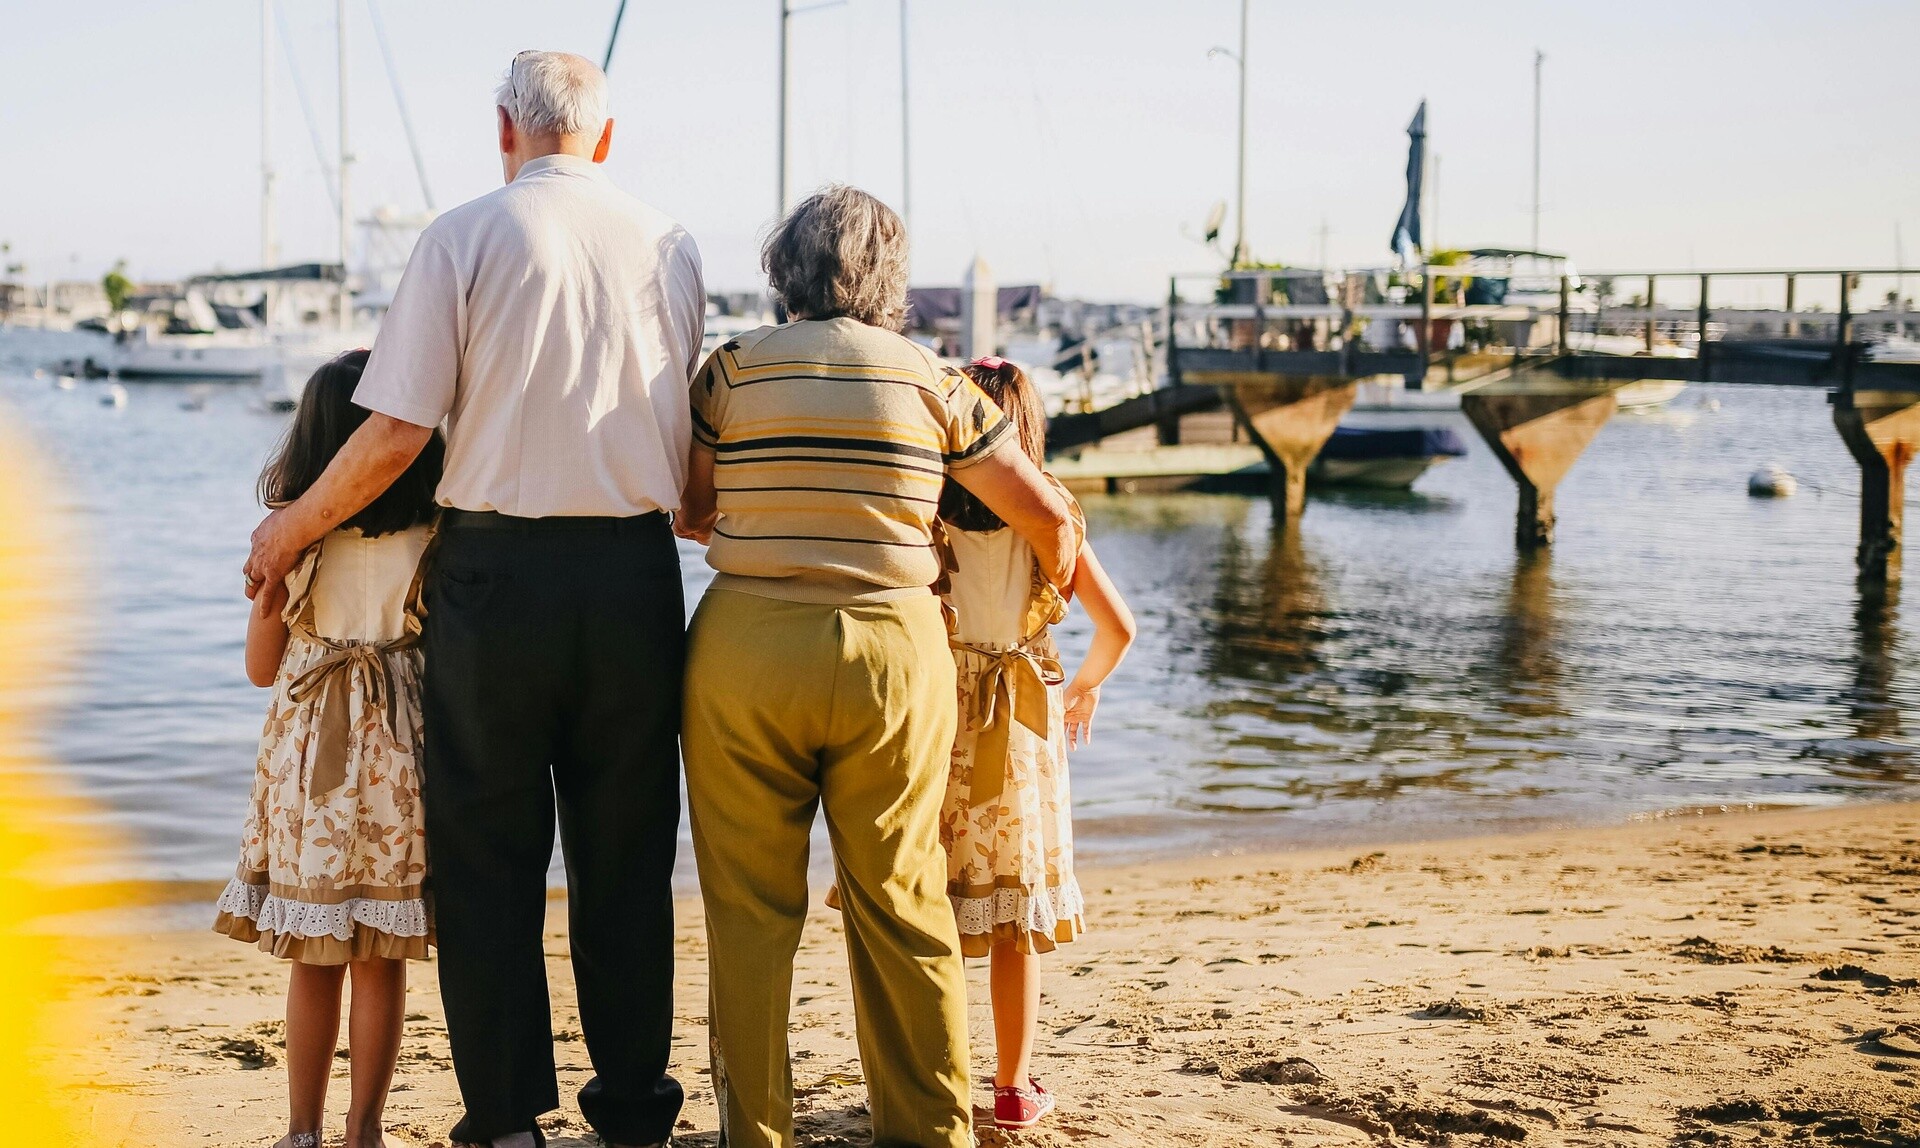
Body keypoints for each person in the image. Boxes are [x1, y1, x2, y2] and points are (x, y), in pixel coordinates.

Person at [242, 51, 704, 1148]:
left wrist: (290, 525)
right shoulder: (673, 244)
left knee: (492, 858)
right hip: (635, 574)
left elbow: (397, 428)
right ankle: (633, 1110)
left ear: (505, 128)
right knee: (627, 855)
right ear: (606, 134)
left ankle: (506, 1117)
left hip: (495, 578)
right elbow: (692, 473)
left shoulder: (461, 236)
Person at [675, 185, 1079, 1148]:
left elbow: (690, 510)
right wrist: (1033, 626)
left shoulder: (727, 372)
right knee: (901, 900)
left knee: (749, 914)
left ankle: (757, 1133)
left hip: (745, 651)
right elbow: (1050, 519)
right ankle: (929, 1131)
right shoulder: (935, 382)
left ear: (785, 270)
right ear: (890, 279)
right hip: (897, 656)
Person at [215, 350, 445, 1148]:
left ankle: (302, 1130)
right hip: (400, 748)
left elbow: (258, 669)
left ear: (312, 445)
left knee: (315, 956)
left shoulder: (294, 538)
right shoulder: (435, 526)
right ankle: (365, 1132)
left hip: (312, 752)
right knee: (382, 955)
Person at [937, 357, 1135, 1129]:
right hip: (1023, 724)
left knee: (942, 910)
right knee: (1015, 922)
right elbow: (1118, 627)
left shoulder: (930, 514)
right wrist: (1084, 688)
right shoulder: (1052, 515)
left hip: (948, 715)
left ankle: (938, 1078)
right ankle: (1014, 1090)